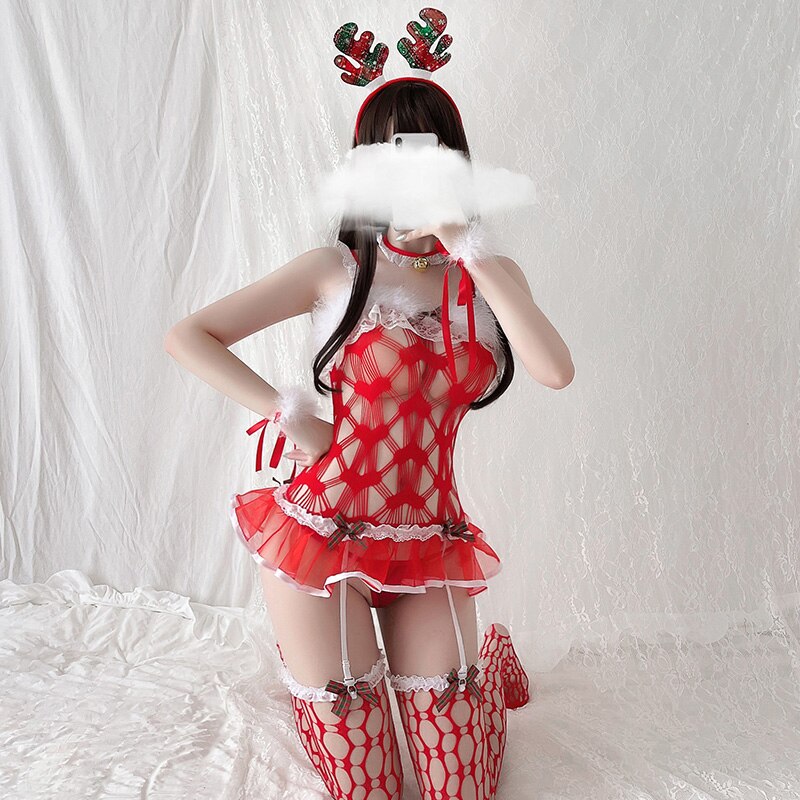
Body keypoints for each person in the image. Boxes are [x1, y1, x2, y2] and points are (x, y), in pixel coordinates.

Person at [165, 26, 574, 800]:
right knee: (370, 787)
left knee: (458, 787)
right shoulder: (337, 269)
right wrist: (288, 412)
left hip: (430, 545)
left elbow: (555, 371)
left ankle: (492, 664)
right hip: (320, 539)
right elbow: (190, 336)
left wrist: (463, 240)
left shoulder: (489, 276)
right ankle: (320, 668)